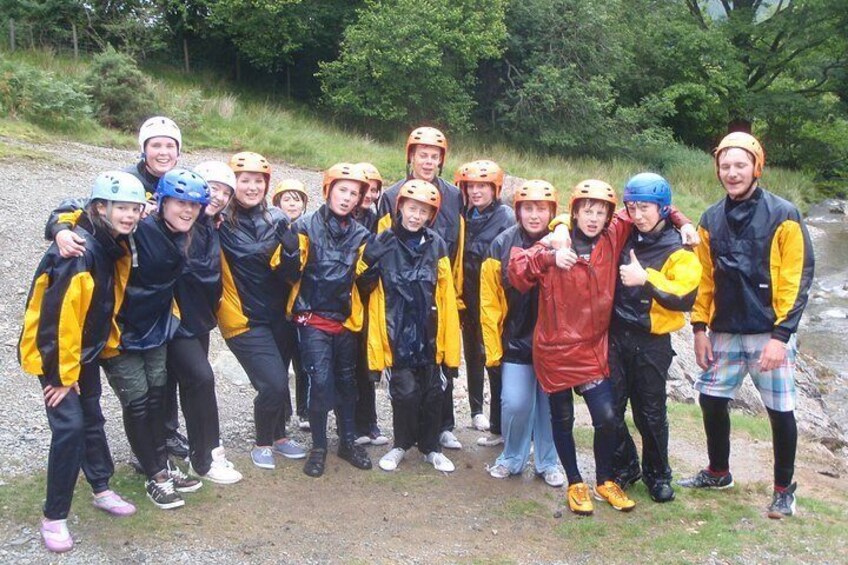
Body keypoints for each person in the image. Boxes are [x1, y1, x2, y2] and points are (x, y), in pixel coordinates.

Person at [679, 132, 814, 519]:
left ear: (757, 166)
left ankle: (784, 489)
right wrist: (700, 328)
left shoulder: (784, 214)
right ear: (718, 170)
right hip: (724, 329)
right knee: (711, 399)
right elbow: (705, 279)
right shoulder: (710, 218)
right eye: (725, 166)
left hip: (768, 332)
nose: (732, 173)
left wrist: (781, 336)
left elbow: (796, 277)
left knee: (779, 409)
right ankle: (718, 472)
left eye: (740, 165)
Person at [19, 171, 145, 553]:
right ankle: (54, 515)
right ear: (100, 208)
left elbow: (69, 209)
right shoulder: (78, 252)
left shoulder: (110, 241)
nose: (130, 216)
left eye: (135, 209)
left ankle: (101, 487)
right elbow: (59, 320)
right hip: (56, 354)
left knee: (92, 416)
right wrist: (60, 376)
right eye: (121, 208)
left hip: (82, 352)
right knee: (71, 427)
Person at [608, 173, 701, 503]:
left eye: (645, 207)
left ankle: (658, 475)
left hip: (652, 341)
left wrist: (644, 278)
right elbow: (583, 218)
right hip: (617, 335)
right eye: (632, 206)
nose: (638, 214)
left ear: (662, 208)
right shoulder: (623, 230)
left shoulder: (680, 246)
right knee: (610, 409)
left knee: (650, 413)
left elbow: (685, 297)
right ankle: (626, 466)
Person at [279, 163, 374, 477]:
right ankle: (318, 446)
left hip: (346, 321)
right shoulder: (305, 225)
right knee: (320, 383)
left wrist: (374, 265)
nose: (347, 198)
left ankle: (347, 441)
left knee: (347, 384)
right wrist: (290, 252)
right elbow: (288, 275)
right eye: (342, 190)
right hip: (312, 318)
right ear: (328, 189)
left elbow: (364, 284)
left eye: (354, 194)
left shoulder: (362, 234)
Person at [361, 180, 461, 473]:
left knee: (433, 393)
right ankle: (400, 445)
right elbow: (364, 285)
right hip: (396, 330)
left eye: (424, 212)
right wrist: (368, 259)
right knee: (403, 394)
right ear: (400, 207)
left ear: (431, 216)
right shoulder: (382, 240)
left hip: (430, 332)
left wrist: (449, 346)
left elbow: (445, 294)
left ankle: (431, 448)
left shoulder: (437, 244)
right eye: (412, 208)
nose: (416, 216)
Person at [376, 127, 465, 450]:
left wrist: (454, 291)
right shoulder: (392, 195)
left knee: (441, 362)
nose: (428, 162)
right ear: (410, 156)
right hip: (402, 290)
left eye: (434, 156)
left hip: (438, 283)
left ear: (442, 161)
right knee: (409, 372)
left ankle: (444, 427)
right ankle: (406, 438)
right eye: (422, 155)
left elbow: (459, 242)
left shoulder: (454, 195)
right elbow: (385, 244)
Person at [217, 152, 307, 470]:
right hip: (243, 318)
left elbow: (291, 274)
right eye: (245, 180)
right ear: (233, 183)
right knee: (273, 384)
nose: (252, 187)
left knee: (281, 377)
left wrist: (293, 251)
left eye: (259, 181)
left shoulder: (278, 219)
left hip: (278, 315)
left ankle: (280, 437)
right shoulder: (218, 222)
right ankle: (262, 442)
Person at [480, 180, 562, 486]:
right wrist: (493, 349)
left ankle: (548, 461)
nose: (534, 215)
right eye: (528, 208)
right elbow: (488, 302)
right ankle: (512, 457)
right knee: (515, 403)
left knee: (551, 406)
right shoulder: (501, 245)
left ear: (552, 211)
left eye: (541, 208)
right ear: (518, 211)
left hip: (554, 343)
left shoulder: (564, 242)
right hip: (515, 339)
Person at [455, 160, 515, 443]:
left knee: (495, 357)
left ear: (495, 189)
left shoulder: (506, 217)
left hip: (495, 299)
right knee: (472, 354)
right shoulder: (463, 214)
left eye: (482, 186)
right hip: (467, 296)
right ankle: (476, 409)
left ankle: (499, 424)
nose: (476, 192)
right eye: (472, 187)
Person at [351, 162, 389, 447]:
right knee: (347, 364)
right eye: (366, 189)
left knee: (367, 363)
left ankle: (369, 422)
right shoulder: (341, 216)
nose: (370, 194)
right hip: (345, 298)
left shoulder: (378, 219)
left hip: (370, 296)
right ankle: (349, 423)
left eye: (375, 190)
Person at [269, 177, 310, 430]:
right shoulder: (271, 226)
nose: (292, 204)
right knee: (280, 361)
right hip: (277, 305)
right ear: (277, 202)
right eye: (287, 198)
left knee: (303, 360)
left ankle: (305, 411)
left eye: (297, 199)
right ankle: (282, 410)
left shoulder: (309, 228)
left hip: (303, 304)